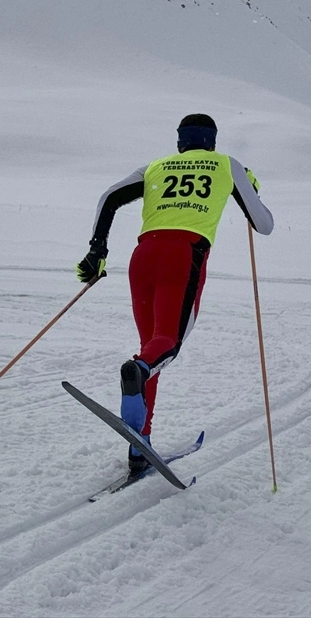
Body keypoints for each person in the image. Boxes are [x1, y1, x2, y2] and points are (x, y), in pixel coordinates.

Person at [76, 113, 274, 474]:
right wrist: (250, 188)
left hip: (143, 256)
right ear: (212, 142)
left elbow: (109, 198)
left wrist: (97, 250)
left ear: (180, 142)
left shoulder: (155, 166)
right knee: (166, 344)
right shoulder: (227, 164)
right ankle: (138, 372)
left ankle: (140, 445)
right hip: (184, 256)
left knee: (151, 347)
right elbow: (264, 225)